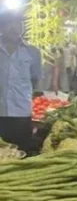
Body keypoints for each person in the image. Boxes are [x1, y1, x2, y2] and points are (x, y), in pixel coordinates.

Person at [0, 8, 41, 151]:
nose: (13, 27)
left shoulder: (33, 52)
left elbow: (34, 80)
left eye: (18, 23)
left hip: (21, 114)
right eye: (9, 23)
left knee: (22, 152)